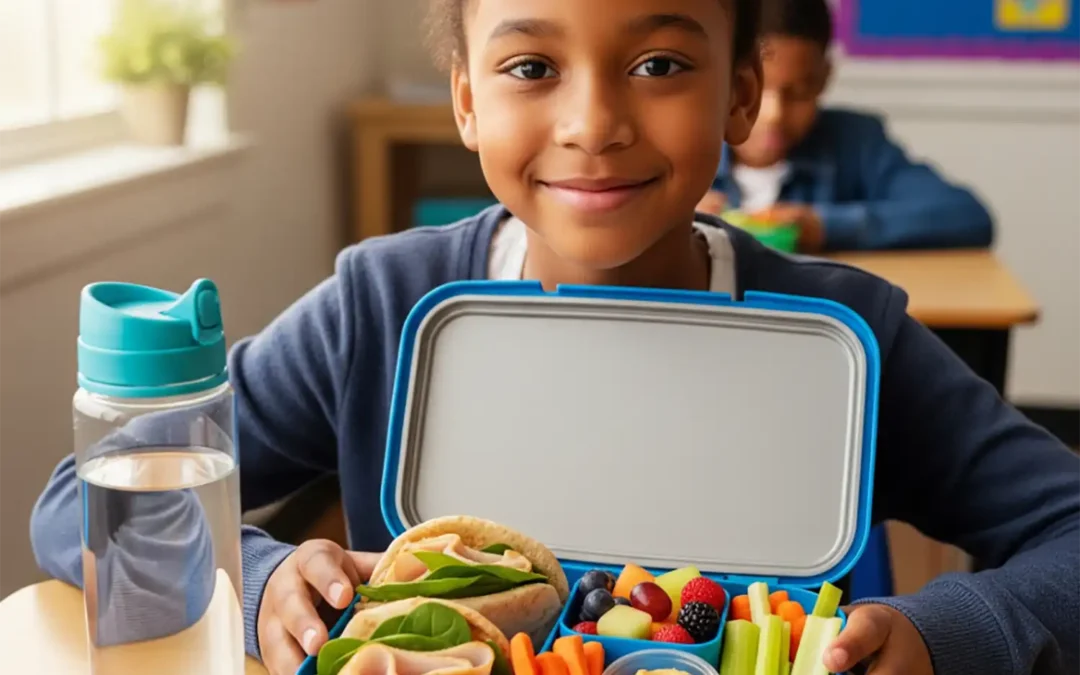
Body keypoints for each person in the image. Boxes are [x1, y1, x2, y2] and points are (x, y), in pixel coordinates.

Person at [29, 1, 1080, 674]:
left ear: (743, 95)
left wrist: (948, 637)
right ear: (466, 102)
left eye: (661, 62)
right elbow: (89, 497)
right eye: (531, 67)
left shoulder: (850, 340)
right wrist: (261, 583)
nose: (593, 123)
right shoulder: (382, 306)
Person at [697, 0, 995, 253]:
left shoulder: (855, 142)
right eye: (755, 90)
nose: (774, 114)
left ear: (825, 77)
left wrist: (823, 227)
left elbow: (967, 216)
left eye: (799, 92)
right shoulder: (686, 142)